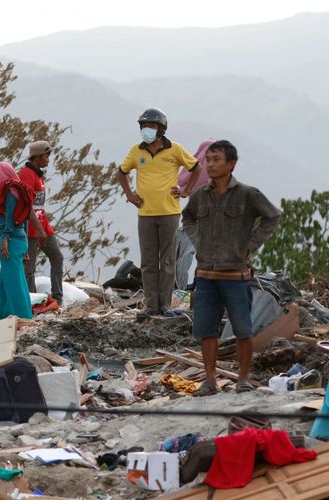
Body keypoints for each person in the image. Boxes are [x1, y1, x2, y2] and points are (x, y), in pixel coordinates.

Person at [182, 140, 281, 396]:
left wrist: (250, 245)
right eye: (208, 160)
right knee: (206, 330)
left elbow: (272, 216)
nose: (211, 165)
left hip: (236, 276)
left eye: (217, 160)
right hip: (205, 276)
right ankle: (210, 380)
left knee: (242, 329)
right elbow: (188, 218)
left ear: (231, 164)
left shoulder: (248, 194)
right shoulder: (200, 195)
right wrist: (198, 241)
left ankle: (243, 379)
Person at [117, 108, 201, 319]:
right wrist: (129, 194)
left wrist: (186, 190)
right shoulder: (137, 151)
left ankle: (164, 305)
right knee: (148, 261)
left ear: (161, 129)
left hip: (169, 212)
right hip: (145, 213)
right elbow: (121, 172)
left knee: (167, 261)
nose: (147, 130)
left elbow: (196, 168)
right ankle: (150, 305)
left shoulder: (175, 150)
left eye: (151, 126)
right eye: (144, 126)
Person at [19, 140, 64, 307]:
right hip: (30, 229)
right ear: (37, 157)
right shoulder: (26, 175)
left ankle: (57, 298)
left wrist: (44, 228)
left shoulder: (38, 175)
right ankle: (30, 302)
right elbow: (26, 205)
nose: (48, 159)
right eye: (46, 156)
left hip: (43, 225)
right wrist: (38, 229)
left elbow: (39, 207)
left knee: (57, 257)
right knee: (29, 269)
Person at [0, 162, 34, 321]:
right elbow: (24, 219)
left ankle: (24, 318)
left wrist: (5, 238)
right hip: (20, 240)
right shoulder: (21, 191)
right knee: (3, 283)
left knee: (15, 285)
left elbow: (9, 218)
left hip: (10, 241)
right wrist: (26, 248)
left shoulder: (10, 191)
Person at [175, 138, 214, 290]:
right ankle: (199, 288)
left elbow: (181, 181)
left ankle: (180, 290)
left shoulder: (196, 168)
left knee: (184, 255)